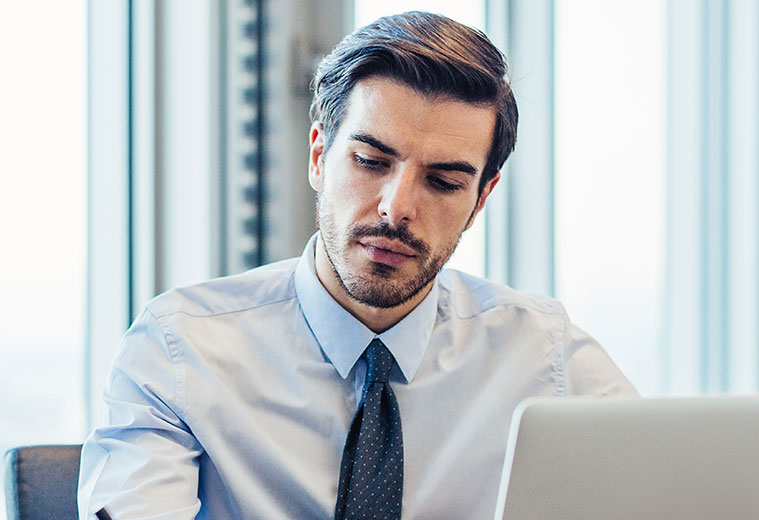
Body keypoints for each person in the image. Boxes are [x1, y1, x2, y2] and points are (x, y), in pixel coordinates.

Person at [77, 11, 636, 520]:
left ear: (480, 200)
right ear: (319, 155)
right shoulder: (180, 350)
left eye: (443, 182)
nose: (397, 209)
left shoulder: (545, 356)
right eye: (370, 162)